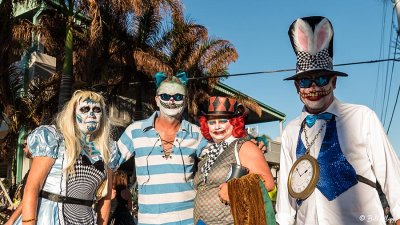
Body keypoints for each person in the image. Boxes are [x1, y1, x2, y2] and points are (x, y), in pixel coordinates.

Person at [275, 16, 400, 225]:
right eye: (306, 81)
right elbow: (286, 191)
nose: (313, 88)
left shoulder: (362, 117)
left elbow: (390, 171)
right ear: (297, 87)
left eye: (321, 79)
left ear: (334, 82)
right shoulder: (290, 130)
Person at [113, 72, 266, 225]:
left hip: (187, 220)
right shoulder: (134, 131)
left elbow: (226, 152)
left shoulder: (197, 134)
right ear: (156, 100)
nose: (172, 101)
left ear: (185, 101)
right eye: (165, 96)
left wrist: (249, 144)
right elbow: (110, 159)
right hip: (149, 221)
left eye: (178, 97)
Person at [13, 90, 113, 225]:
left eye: (96, 110)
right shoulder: (54, 139)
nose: (91, 114)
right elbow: (33, 187)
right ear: (73, 113)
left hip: (86, 220)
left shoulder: (106, 150)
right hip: (49, 218)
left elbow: (105, 200)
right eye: (84, 109)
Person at [193, 96, 276, 225]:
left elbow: (268, 182)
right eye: (212, 122)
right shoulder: (208, 152)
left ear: (233, 122)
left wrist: (234, 190)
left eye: (222, 121)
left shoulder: (243, 146)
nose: (217, 127)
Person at [5, 137, 31, 225]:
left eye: (25, 145)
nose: (23, 148)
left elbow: (29, 197)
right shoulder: (30, 170)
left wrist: (11, 220)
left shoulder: (36, 172)